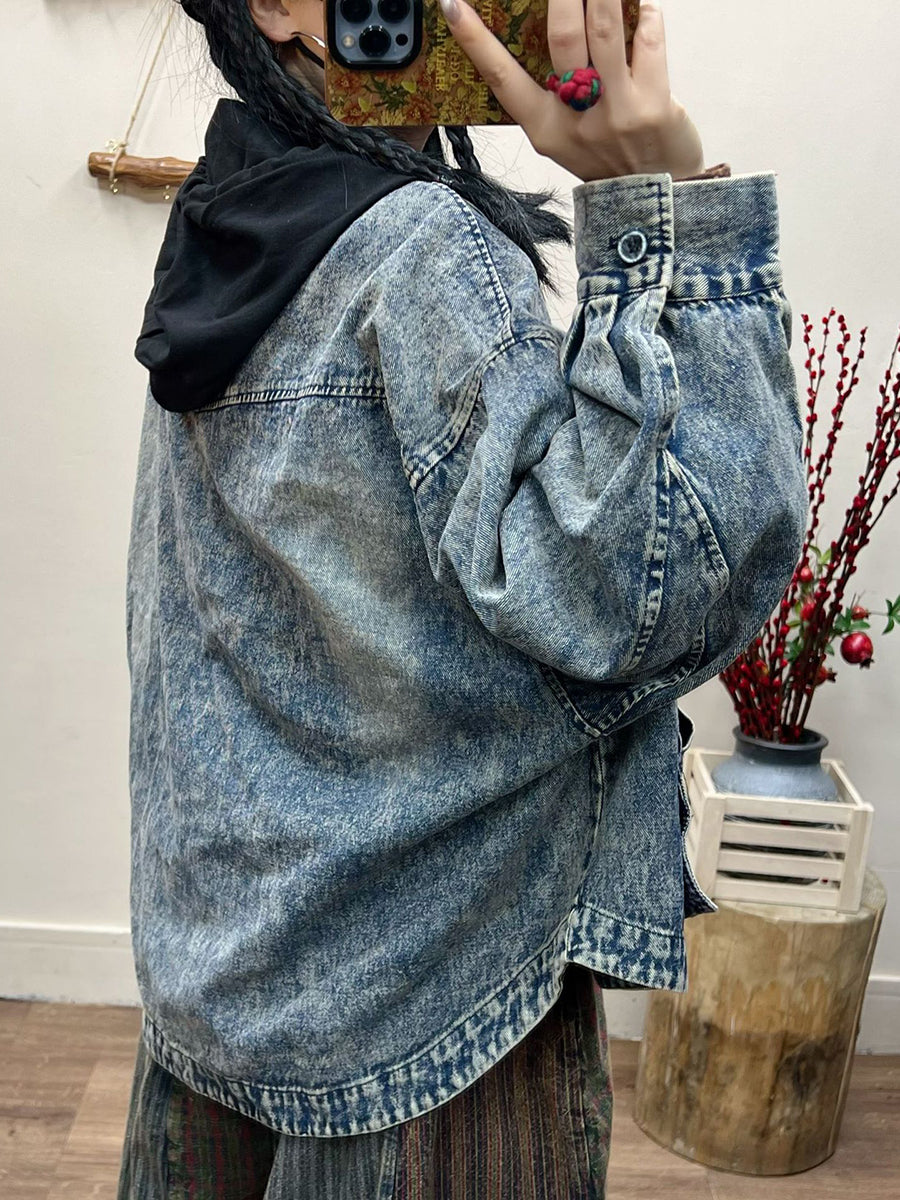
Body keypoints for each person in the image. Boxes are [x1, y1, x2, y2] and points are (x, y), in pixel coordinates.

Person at [117, 0, 808, 1195]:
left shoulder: (235, 207)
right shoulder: (422, 245)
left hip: (228, 961)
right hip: (433, 999)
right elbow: (636, 598)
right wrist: (667, 201)